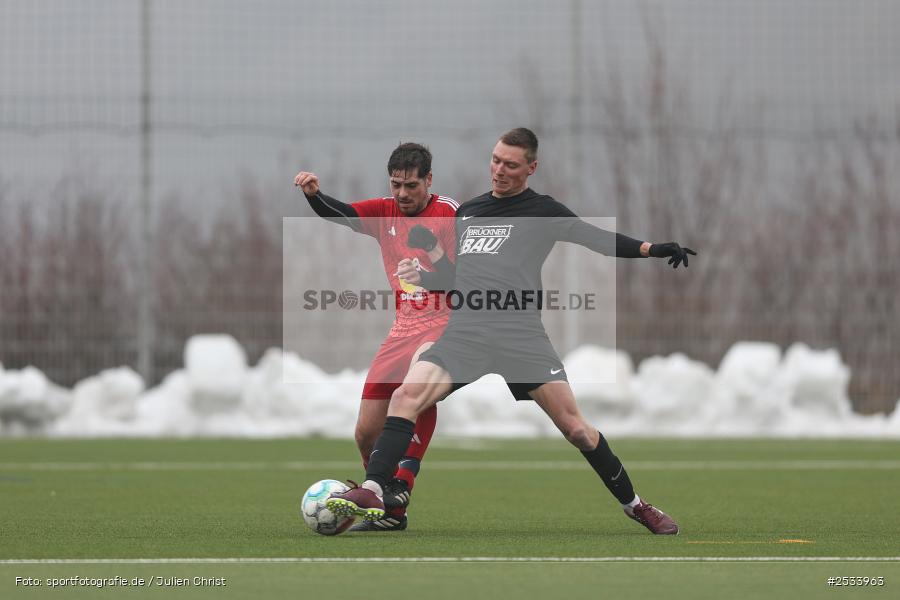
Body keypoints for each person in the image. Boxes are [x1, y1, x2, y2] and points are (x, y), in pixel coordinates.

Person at [328, 128, 696, 535]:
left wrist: (651, 249)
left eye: (511, 164)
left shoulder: (543, 211)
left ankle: (637, 506)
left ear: (531, 168)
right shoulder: (469, 211)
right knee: (405, 396)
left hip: (520, 337)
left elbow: (595, 238)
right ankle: (375, 491)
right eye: (496, 160)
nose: (499, 170)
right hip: (467, 333)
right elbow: (455, 277)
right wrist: (427, 275)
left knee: (576, 429)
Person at [294, 142, 458, 531]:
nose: (402, 193)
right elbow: (341, 213)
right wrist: (314, 195)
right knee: (366, 432)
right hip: (403, 328)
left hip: (444, 322)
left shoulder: (449, 213)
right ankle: (388, 509)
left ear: (429, 180)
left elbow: (458, 275)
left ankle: (401, 483)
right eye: (396, 184)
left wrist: (429, 269)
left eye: (411, 185)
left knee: (415, 391)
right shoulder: (384, 211)